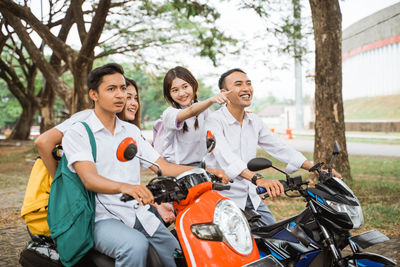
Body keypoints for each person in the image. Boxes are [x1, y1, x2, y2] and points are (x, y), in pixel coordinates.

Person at [60, 63, 228, 267]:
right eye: (111, 89)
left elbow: (162, 167)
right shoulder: (79, 133)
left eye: (123, 88)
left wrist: (206, 172)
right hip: (99, 218)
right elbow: (89, 179)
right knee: (135, 246)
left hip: (136, 212)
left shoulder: (130, 132)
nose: (120, 95)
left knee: (177, 252)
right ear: (94, 94)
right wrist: (125, 187)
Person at [204, 68, 342, 226]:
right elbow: (226, 158)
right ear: (224, 92)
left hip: (251, 197)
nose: (246, 88)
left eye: (248, 83)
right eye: (238, 84)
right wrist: (259, 179)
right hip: (223, 199)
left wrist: (315, 169)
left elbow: (280, 147)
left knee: (276, 239)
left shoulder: (254, 121)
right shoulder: (214, 121)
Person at [160, 66, 231, 166]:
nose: (181, 93)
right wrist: (211, 100)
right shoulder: (169, 113)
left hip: (200, 165)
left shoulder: (204, 110)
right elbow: (191, 111)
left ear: (193, 85)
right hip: (176, 167)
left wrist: (240, 113)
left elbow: (221, 121)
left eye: (185, 87)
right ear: (169, 94)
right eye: (175, 90)